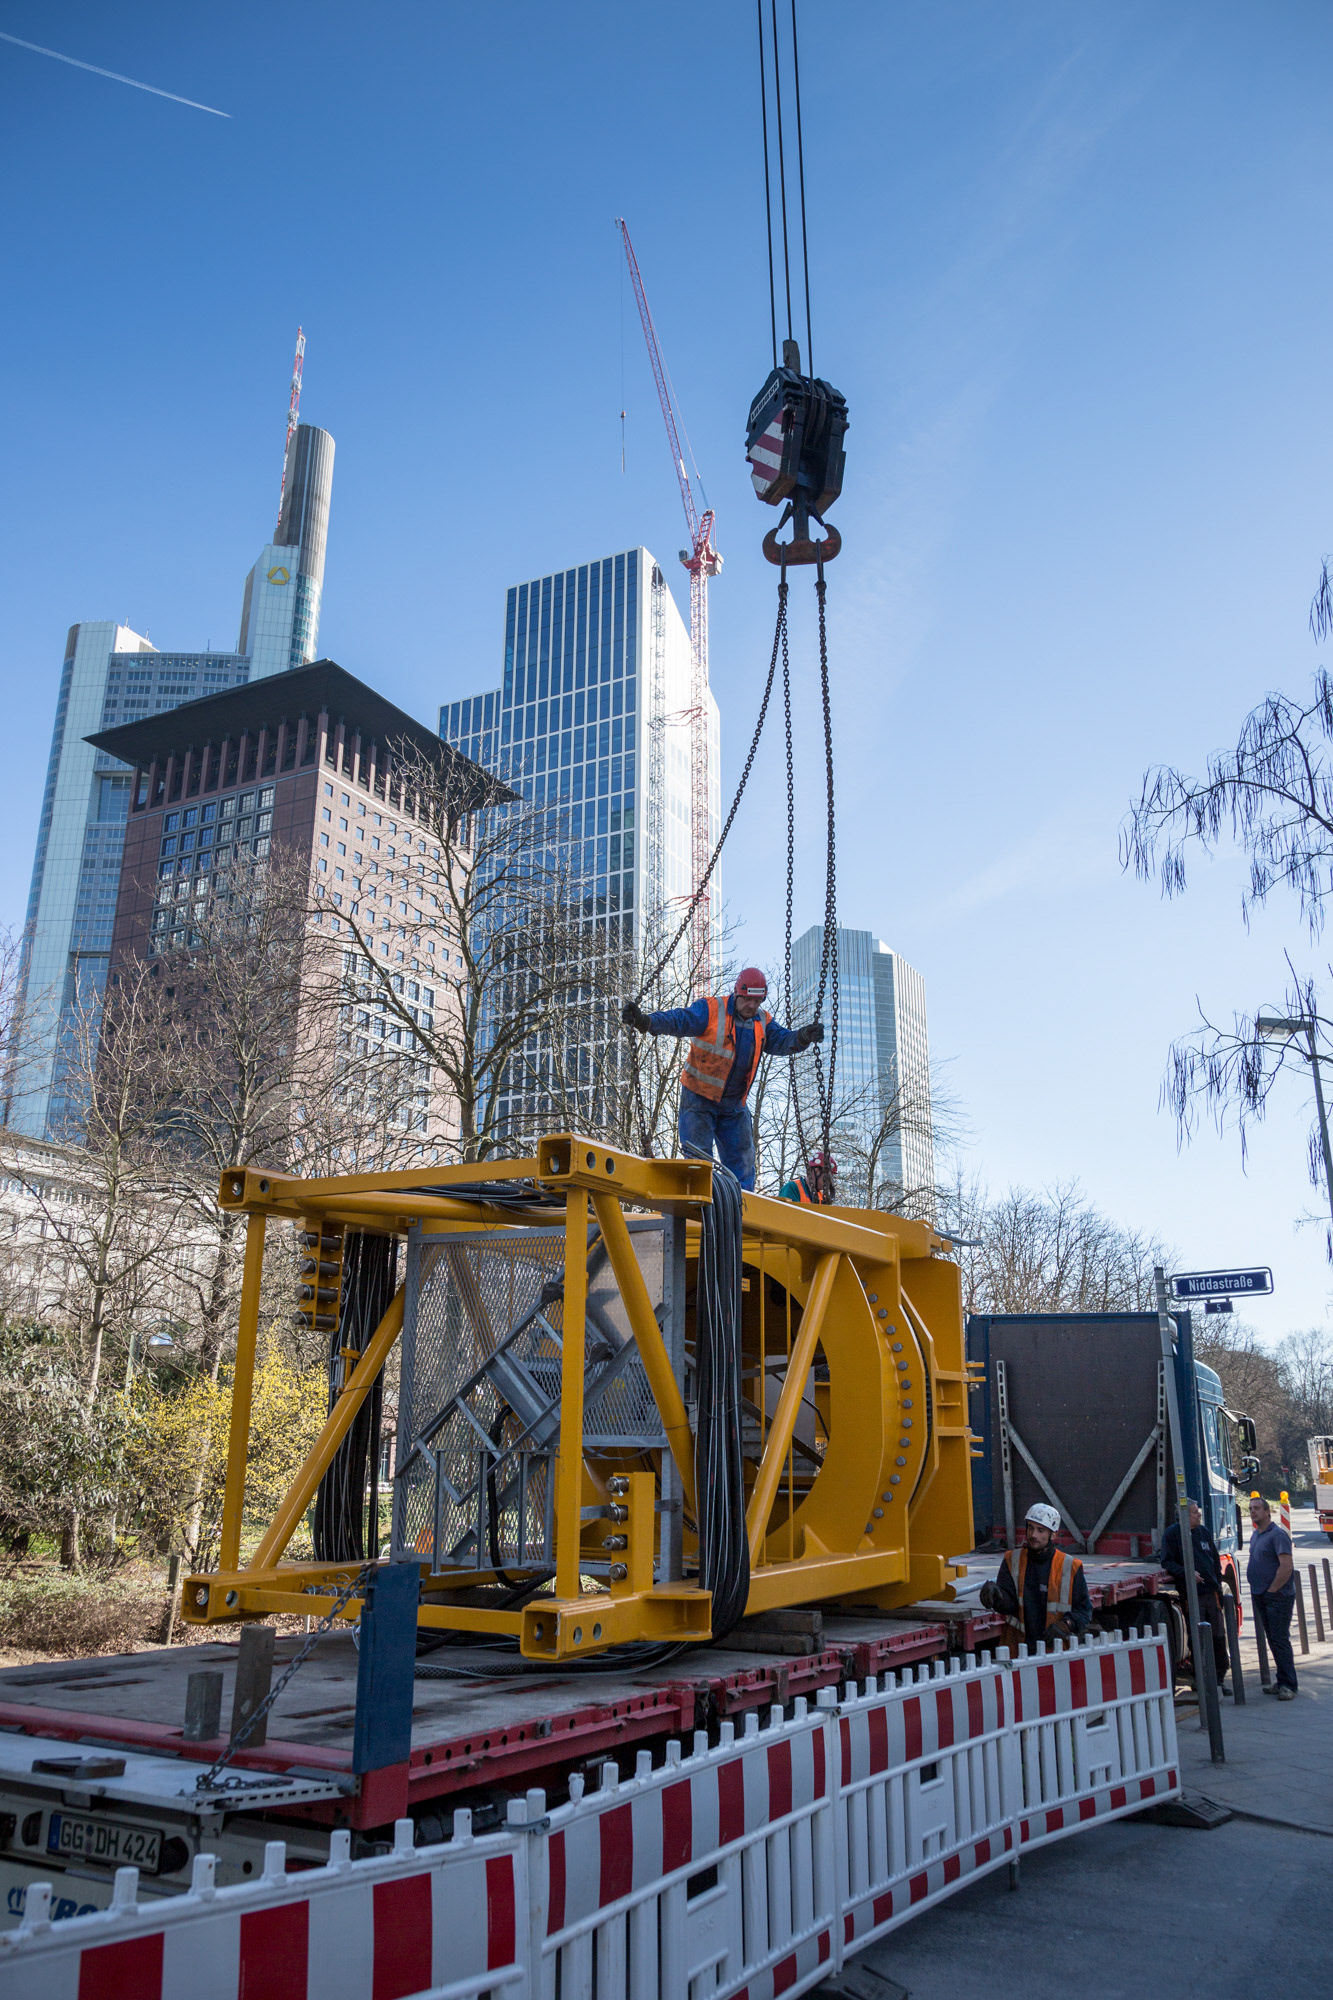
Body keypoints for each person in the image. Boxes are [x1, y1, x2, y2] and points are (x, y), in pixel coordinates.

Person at [621, 969, 822, 1191]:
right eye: (747, 1000)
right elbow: (680, 1019)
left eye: (757, 1001)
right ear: (737, 994)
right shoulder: (711, 1010)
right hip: (699, 1100)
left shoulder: (763, 1022)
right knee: (698, 1162)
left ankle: (740, 1211)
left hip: (733, 1105)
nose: (752, 1006)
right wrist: (647, 1022)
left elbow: (783, 1040)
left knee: (743, 1163)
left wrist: (803, 1037)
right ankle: (699, 1206)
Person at [978, 1501, 1092, 1647]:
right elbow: (1009, 1605)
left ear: (1053, 1535)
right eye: (1030, 1528)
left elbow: (1084, 1611)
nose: (1033, 1535)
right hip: (1020, 1649)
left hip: (1055, 1652)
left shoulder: (1070, 1566)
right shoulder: (1012, 1560)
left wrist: (1066, 1624)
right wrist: (995, 1595)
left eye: (1040, 1530)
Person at [1161, 1499, 1231, 1689]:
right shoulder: (1173, 1534)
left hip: (1211, 1593)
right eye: (1194, 1512)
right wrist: (1187, 1573)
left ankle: (1219, 1679)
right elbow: (1167, 1562)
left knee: (1218, 1636)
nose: (1199, 1514)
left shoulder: (1203, 1532)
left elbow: (1215, 1560)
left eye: (1198, 1511)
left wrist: (1217, 1584)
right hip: (1192, 1595)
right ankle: (1201, 1679)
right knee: (1197, 1637)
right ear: (1183, 1515)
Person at [1247, 1494, 1297, 1699]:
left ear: (1267, 1511)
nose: (1253, 1512)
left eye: (1257, 1508)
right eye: (1250, 1509)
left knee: (1280, 1639)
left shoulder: (1278, 1535)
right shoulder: (1256, 1535)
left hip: (1277, 1596)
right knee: (1273, 1640)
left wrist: (1272, 1590)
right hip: (1262, 1594)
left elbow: (1286, 1566)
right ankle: (1281, 1680)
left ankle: (1289, 1686)